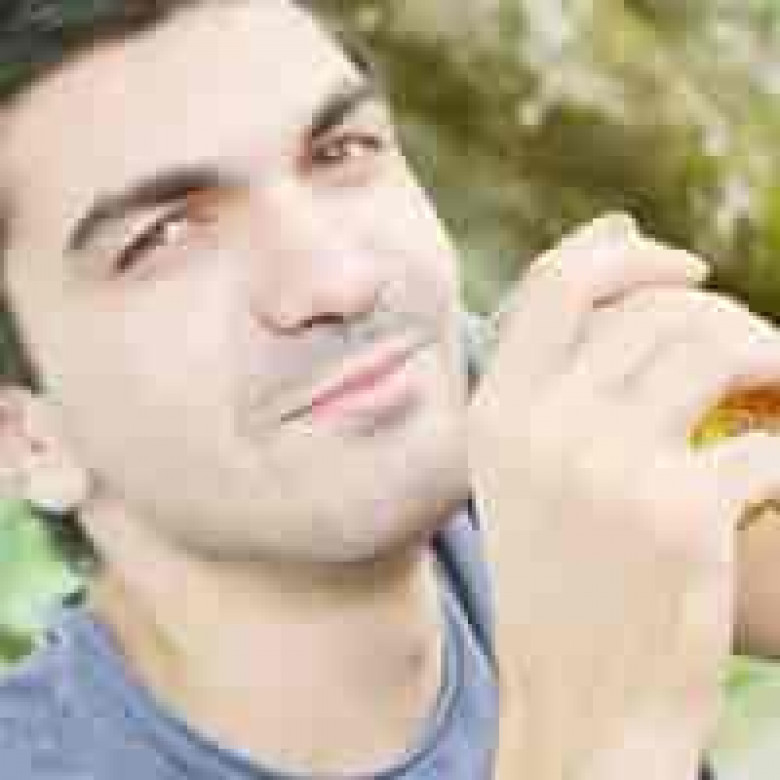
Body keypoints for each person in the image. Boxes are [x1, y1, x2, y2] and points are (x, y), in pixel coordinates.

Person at [2, 1, 780, 778]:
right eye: (163, 237)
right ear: (28, 439)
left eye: (340, 151)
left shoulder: (501, 430)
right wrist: (598, 738)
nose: (340, 281)